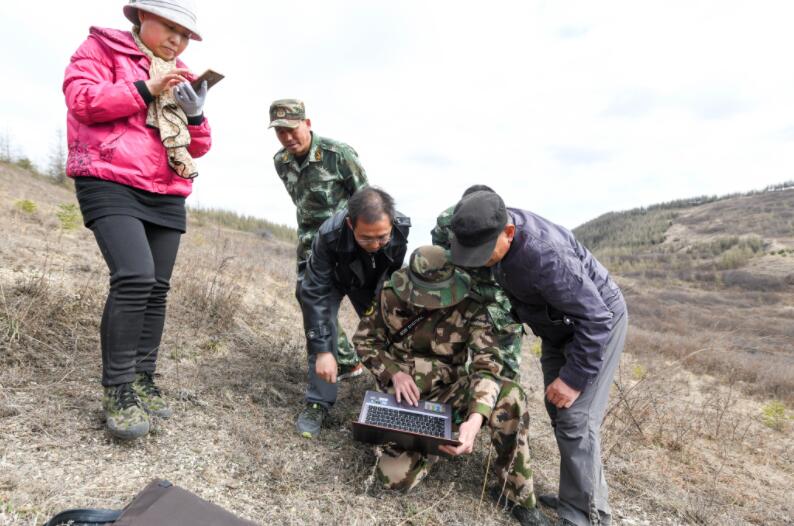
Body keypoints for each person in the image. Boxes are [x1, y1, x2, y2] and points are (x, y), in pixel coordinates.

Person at [63, 0, 212, 440]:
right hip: (108, 177)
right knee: (134, 275)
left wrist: (196, 114)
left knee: (157, 287)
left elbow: (199, 146)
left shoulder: (179, 71)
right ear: (140, 18)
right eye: (170, 29)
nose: (177, 41)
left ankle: (144, 377)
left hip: (165, 188)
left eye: (184, 36)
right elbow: (82, 101)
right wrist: (147, 88)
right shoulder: (99, 50)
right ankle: (119, 388)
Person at [449, 190, 628, 526]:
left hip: (593, 327)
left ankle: (586, 517)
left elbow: (597, 318)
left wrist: (574, 378)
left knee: (576, 420)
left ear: (509, 233)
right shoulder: (486, 224)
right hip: (556, 325)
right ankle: (578, 497)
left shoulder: (545, 256)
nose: (480, 260)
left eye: (485, 253)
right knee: (561, 413)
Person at [353, 246, 550, 526]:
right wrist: (393, 373)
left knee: (510, 394)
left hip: (449, 396)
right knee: (391, 479)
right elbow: (364, 341)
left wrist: (475, 417)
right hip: (401, 402)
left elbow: (487, 364)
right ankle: (432, 444)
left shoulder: (472, 307)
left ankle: (517, 494)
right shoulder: (390, 295)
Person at [297, 187, 410, 438]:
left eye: (382, 237)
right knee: (322, 336)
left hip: (371, 282)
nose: (375, 244)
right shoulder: (328, 234)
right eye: (366, 238)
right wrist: (323, 350)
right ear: (350, 224)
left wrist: (380, 310)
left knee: (392, 331)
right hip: (333, 281)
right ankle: (318, 402)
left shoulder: (401, 228)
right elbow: (315, 292)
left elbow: (392, 276)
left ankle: (394, 394)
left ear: (392, 224)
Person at [270, 99, 369, 382]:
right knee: (308, 297)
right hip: (310, 246)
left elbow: (366, 200)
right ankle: (347, 363)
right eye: (280, 132)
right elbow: (301, 202)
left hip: (347, 243)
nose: (288, 138)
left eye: (292, 129)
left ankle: (392, 367)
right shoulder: (281, 162)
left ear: (308, 124)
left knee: (372, 308)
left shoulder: (338, 155)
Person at [431, 184, 523, 378]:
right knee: (450, 351)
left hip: (499, 293)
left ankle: (503, 397)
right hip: (462, 288)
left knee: (505, 359)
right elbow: (440, 253)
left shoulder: (507, 225)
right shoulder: (446, 222)